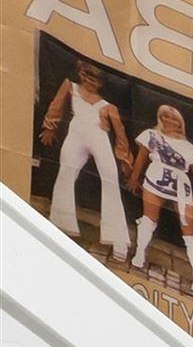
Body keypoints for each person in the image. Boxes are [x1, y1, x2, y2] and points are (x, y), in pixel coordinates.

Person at [40, 62, 131, 260]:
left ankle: (118, 239)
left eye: (94, 78)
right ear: (81, 73)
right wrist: (50, 126)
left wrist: (124, 159)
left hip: (99, 139)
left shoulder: (108, 106)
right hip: (76, 135)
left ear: (100, 83)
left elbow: (120, 133)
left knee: (110, 180)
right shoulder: (70, 87)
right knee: (65, 174)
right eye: (87, 75)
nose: (89, 80)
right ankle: (61, 223)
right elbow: (56, 106)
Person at [128, 103, 193, 294]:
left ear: (180, 123)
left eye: (174, 119)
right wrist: (134, 177)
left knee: (189, 231)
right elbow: (141, 157)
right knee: (148, 220)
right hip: (155, 177)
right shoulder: (151, 135)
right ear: (160, 118)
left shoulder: (189, 147)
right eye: (165, 117)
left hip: (181, 184)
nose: (169, 121)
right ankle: (140, 254)